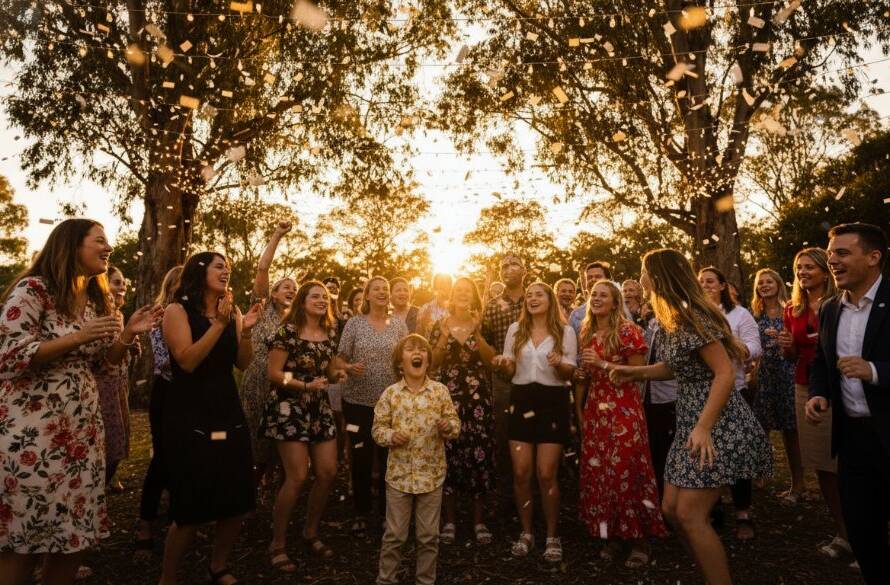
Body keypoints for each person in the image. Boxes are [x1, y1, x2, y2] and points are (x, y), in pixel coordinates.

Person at [0, 219, 160, 585]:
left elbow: (103, 365)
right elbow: (7, 356)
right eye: (100, 240)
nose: (109, 247)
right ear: (71, 246)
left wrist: (126, 334)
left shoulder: (91, 302)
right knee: (23, 541)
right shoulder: (33, 290)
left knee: (70, 540)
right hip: (34, 437)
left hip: (81, 438)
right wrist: (77, 337)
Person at [609, 249, 771, 585]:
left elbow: (725, 373)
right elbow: (673, 367)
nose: (641, 280)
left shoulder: (695, 317)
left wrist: (704, 427)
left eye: (644, 272)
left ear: (661, 276)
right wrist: (631, 372)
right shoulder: (668, 319)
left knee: (690, 514)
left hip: (717, 422)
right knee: (671, 510)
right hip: (690, 421)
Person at [158, 252, 263, 585]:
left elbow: (243, 364)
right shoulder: (176, 311)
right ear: (199, 271)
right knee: (190, 505)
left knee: (236, 498)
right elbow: (187, 361)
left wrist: (244, 331)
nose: (226, 271)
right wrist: (218, 325)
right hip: (190, 412)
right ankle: (168, 577)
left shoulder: (231, 312)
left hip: (227, 409)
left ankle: (218, 566)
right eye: (219, 266)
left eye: (227, 268)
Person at [806, 223, 890, 584]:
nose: (832, 261)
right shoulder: (829, 309)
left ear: (873, 257)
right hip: (852, 438)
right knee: (861, 527)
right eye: (831, 254)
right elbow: (822, 363)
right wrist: (819, 392)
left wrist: (873, 371)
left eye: (842, 253)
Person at [576, 280, 666, 567]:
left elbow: (639, 373)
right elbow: (588, 376)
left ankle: (640, 542)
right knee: (602, 474)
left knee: (628, 472)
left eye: (604, 295)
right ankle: (612, 537)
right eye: (593, 294)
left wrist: (604, 364)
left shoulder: (628, 330)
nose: (597, 298)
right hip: (596, 410)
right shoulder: (587, 331)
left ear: (616, 302)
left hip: (623, 410)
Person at [492, 282, 577, 563]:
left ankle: (552, 536)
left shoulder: (565, 331)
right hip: (521, 400)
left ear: (550, 300)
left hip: (553, 402)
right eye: (528, 296)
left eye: (538, 294)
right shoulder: (516, 331)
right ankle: (526, 532)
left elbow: (570, 374)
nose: (532, 298)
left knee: (545, 473)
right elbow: (511, 368)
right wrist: (504, 365)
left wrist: (558, 363)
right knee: (521, 472)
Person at [263, 281, 342, 572]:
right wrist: (303, 384)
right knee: (297, 476)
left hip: (317, 408)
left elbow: (330, 372)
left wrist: (339, 373)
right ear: (302, 301)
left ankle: (310, 532)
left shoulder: (330, 332)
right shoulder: (287, 332)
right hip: (288, 407)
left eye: (325, 297)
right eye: (315, 296)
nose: (322, 300)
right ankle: (278, 544)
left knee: (328, 472)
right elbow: (273, 373)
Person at [372, 334, 460, 585]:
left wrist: (447, 427)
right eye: (410, 349)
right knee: (395, 536)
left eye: (422, 349)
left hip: (431, 476)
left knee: (428, 537)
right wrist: (391, 435)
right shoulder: (391, 394)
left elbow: (455, 426)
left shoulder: (440, 392)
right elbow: (377, 429)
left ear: (428, 361)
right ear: (401, 362)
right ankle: (386, 579)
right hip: (399, 478)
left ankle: (425, 580)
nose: (417, 352)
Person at [778, 247, 849, 558]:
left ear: (824, 270)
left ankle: (865, 532)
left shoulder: (841, 304)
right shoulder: (792, 309)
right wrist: (788, 347)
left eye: (809, 267)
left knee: (850, 465)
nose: (803, 272)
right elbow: (792, 357)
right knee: (822, 465)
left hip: (843, 387)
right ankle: (844, 534)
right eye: (799, 268)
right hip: (806, 387)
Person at [335, 276, 408, 534]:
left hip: (391, 404)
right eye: (376, 289)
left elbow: (406, 358)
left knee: (390, 459)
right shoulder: (354, 324)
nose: (382, 292)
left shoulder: (398, 325)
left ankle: (389, 514)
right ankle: (362, 512)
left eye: (385, 289)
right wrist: (347, 367)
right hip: (357, 403)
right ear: (366, 295)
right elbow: (338, 361)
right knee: (361, 456)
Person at [429, 277, 497, 546]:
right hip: (449, 396)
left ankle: (479, 521)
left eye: (468, 291)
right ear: (452, 296)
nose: (463, 294)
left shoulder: (484, 324)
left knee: (478, 454)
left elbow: (491, 361)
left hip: (478, 398)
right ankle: (450, 521)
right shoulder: (439, 325)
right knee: (449, 453)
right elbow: (433, 363)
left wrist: (477, 333)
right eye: (459, 291)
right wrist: (445, 335)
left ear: (475, 296)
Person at [699, 266, 763, 540]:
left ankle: (743, 514)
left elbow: (755, 347)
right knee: (706, 454)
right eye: (701, 282)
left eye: (711, 281)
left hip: (733, 391)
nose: (705, 285)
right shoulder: (695, 315)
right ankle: (712, 510)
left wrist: (730, 345)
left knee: (736, 454)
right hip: (700, 395)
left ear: (723, 285)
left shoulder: (739, 314)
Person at [239, 221, 297, 491]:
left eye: (294, 289)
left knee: (280, 443)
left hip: (284, 386)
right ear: (273, 293)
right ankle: (249, 491)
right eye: (285, 286)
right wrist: (277, 235)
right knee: (253, 442)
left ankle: (273, 491)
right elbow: (263, 268)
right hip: (256, 383)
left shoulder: (297, 321)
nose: (291, 290)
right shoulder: (262, 309)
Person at [135, 265, 183, 558]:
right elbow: (165, 361)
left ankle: (180, 518)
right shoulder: (159, 314)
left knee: (188, 457)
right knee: (162, 460)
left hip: (196, 396)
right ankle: (145, 527)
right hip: (168, 392)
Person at [750, 268, 802, 501]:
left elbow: (798, 344)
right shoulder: (755, 315)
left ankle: (798, 484)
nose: (764, 285)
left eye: (769, 281)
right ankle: (760, 474)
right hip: (764, 376)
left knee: (791, 431)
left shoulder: (791, 310)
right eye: (761, 283)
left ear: (779, 284)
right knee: (761, 428)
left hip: (787, 373)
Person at [95, 265, 138, 492]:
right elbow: (103, 356)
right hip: (103, 387)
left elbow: (118, 349)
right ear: (102, 283)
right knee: (108, 447)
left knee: (117, 445)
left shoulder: (119, 315)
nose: (122, 287)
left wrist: (131, 346)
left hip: (120, 384)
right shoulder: (98, 314)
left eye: (123, 283)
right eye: (116, 282)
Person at [481, 254, 526, 465]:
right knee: (504, 430)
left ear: (524, 271)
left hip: (534, 374)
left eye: (514, 264)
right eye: (504, 266)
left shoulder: (536, 298)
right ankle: (506, 483)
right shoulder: (491, 306)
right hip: (503, 380)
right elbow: (487, 343)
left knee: (531, 426)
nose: (508, 269)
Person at [569, 261, 612, 334]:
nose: (593, 279)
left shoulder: (620, 309)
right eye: (589, 277)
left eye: (598, 276)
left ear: (608, 280)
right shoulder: (576, 315)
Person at [416, 273, 452, 337]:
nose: (444, 287)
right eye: (440, 285)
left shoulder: (455, 309)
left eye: (447, 284)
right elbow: (418, 336)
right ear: (435, 288)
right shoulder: (425, 308)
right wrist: (422, 324)